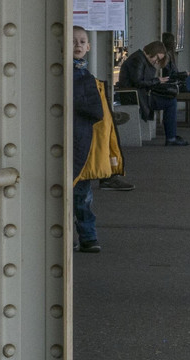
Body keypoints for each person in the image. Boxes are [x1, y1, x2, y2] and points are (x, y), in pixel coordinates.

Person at [71, 26, 104, 252]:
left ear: (89, 47)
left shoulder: (84, 76)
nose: (78, 45)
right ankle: (88, 237)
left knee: (81, 192)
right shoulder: (86, 77)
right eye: (73, 41)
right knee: (82, 193)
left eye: (82, 41)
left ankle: (87, 237)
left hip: (79, 140)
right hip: (81, 139)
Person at [118, 41, 189, 146]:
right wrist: (158, 80)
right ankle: (171, 137)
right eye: (157, 58)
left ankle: (172, 136)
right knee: (170, 102)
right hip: (135, 96)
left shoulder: (139, 58)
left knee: (170, 100)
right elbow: (137, 82)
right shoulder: (138, 60)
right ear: (152, 52)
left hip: (139, 94)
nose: (156, 62)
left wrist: (157, 81)